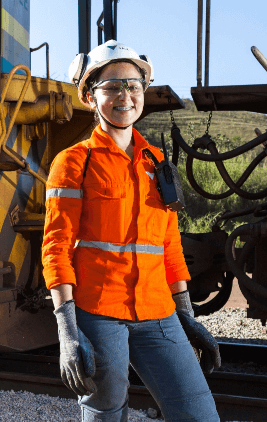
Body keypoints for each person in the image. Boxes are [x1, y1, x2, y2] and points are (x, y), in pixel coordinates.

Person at [42, 39, 221, 422]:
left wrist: (187, 314)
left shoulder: (157, 162)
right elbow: (56, 248)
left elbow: (169, 244)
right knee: (107, 415)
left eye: (134, 86)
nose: (125, 95)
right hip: (99, 312)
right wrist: (67, 333)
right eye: (112, 86)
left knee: (200, 414)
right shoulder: (74, 162)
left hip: (158, 313)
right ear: (90, 97)